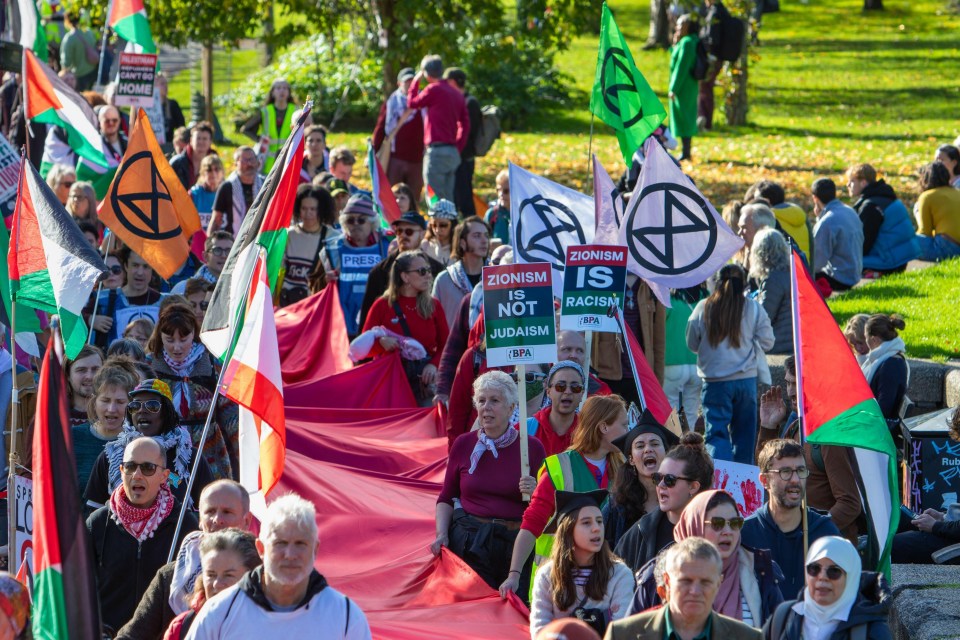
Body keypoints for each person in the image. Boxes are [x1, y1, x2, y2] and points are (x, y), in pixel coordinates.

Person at [186, 494, 372, 639]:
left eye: (300, 544)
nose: (290, 555)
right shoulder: (220, 612)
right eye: (280, 543)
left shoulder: (345, 616)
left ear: (315, 549)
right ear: (261, 549)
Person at [499, 396, 630, 601]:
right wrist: (514, 575)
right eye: (624, 424)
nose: (628, 430)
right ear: (604, 427)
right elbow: (532, 523)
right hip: (557, 585)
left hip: (607, 585)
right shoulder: (558, 467)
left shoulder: (625, 469)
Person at [433, 371, 546, 591]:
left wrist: (534, 492)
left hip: (514, 547)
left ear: (512, 408)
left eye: (495, 400)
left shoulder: (531, 448)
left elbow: (545, 506)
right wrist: (441, 534)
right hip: (469, 543)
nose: (487, 407)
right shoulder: (463, 444)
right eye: (482, 400)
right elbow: (447, 497)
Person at [87, 437, 200, 635]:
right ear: (121, 471)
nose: (137, 475)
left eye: (148, 468)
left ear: (164, 476)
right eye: (130, 467)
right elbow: (78, 589)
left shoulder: (184, 524)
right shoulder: (97, 523)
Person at [116, 479, 253, 640]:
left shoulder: (262, 578)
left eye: (227, 512)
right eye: (210, 511)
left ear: (247, 520)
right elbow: (133, 635)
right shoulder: (170, 577)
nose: (217, 519)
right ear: (200, 521)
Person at [629, 490, 784, 628]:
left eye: (735, 523)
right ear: (694, 525)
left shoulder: (761, 571)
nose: (727, 531)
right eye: (718, 523)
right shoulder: (656, 576)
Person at [757, 358, 863, 545]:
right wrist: (768, 426)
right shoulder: (796, 426)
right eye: (788, 383)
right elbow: (768, 472)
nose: (791, 391)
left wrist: (810, 531)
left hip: (826, 553)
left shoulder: (828, 437)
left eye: (797, 384)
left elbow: (849, 503)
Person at [84, 379, 215, 512]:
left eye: (152, 406)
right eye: (135, 406)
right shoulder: (111, 456)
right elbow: (93, 511)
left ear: (167, 412)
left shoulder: (189, 458)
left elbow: (210, 509)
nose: (142, 411)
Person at [687, 264, 774, 463]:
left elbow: (691, 342)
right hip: (746, 381)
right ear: (744, 285)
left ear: (716, 282)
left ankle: (720, 481)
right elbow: (768, 341)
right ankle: (743, 485)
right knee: (745, 437)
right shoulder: (753, 308)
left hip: (715, 382)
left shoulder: (704, 307)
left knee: (716, 436)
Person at [604, 537, 762, 640]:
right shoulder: (622, 635)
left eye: (705, 582)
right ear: (667, 582)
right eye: (686, 581)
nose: (695, 591)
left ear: (718, 584)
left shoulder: (749, 637)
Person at [741, 439, 841, 599]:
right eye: (785, 472)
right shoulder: (746, 534)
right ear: (764, 480)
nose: (795, 480)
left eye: (801, 471)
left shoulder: (825, 532)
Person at [147, 303, 237, 480]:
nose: (177, 347)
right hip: (163, 451)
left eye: (184, 339)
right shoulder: (150, 366)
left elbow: (230, 413)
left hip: (209, 448)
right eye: (170, 340)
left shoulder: (212, 363)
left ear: (194, 335)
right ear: (160, 336)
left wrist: (241, 453)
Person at [530, 490, 635, 638]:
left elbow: (622, 629)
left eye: (599, 521)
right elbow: (540, 630)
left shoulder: (620, 574)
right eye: (586, 523)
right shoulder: (547, 575)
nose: (596, 528)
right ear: (568, 530)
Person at [614, 432, 714, 573]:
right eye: (657, 478)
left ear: (693, 487)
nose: (660, 485)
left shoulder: (718, 528)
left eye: (669, 480)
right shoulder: (640, 532)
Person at [361, 250, 449, 405]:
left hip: (424, 382)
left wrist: (433, 365)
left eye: (429, 270)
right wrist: (381, 342)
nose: (428, 275)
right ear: (405, 276)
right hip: (391, 383)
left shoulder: (433, 305)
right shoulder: (382, 305)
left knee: (425, 426)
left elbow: (446, 345)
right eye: (422, 271)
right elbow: (363, 348)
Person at [763, 536, 892, 640]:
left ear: (851, 578)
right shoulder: (782, 616)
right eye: (814, 568)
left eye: (834, 571)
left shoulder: (873, 632)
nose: (822, 577)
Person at [163, 528, 262, 640]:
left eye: (228, 575)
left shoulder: (273, 625)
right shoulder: (182, 627)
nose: (217, 584)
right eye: (211, 575)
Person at [315, 194, 391, 337]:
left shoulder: (387, 247)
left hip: (379, 329)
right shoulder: (332, 249)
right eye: (350, 220)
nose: (355, 224)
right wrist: (324, 282)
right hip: (340, 329)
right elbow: (314, 286)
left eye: (361, 220)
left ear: (372, 222)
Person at [359, 211, 444, 330]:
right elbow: (366, 321)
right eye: (399, 231)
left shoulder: (437, 270)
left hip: (425, 341)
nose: (403, 236)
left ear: (423, 234)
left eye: (409, 232)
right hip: (388, 342)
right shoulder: (379, 272)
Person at [605, 410, 680, 547]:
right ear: (631, 459)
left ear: (667, 453)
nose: (648, 449)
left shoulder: (681, 499)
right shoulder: (615, 507)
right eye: (640, 446)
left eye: (655, 444)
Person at [406, 54, 470, 202]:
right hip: (452, 151)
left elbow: (412, 103)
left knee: (434, 196)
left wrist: (415, 82)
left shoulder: (432, 90)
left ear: (427, 74)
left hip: (436, 151)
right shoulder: (457, 94)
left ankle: (437, 224)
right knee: (448, 198)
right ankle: (449, 224)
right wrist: (458, 146)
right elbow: (465, 124)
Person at [72, 356, 140, 490]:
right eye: (105, 400)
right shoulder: (72, 437)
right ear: (94, 401)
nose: (112, 409)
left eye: (120, 402)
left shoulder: (139, 442)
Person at [845, 164, 919, 276]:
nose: (847, 184)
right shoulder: (885, 196)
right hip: (900, 259)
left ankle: (876, 272)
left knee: (842, 263)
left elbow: (864, 245)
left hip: (889, 262)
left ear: (863, 182)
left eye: (851, 181)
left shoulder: (871, 206)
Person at [279, 185, 339, 307]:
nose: (308, 214)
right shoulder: (288, 235)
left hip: (316, 303)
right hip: (287, 303)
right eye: (304, 208)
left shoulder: (333, 237)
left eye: (313, 209)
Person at [432, 216, 490, 328]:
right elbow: (433, 319)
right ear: (462, 243)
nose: (484, 241)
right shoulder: (444, 280)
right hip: (456, 344)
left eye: (486, 236)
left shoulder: (497, 277)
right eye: (477, 236)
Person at [377, 68, 424, 198]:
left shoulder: (424, 102)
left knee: (413, 197)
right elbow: (381, 128)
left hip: (417, 159)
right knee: (393, 196)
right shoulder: (392, 103)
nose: (409, 84)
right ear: (399, 83)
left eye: (412, 81)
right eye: (406, 81)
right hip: (395, 158)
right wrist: (374, 150)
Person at [663, 286, 707, 427]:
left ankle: (673, 445)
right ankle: (693, 446)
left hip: (671, 363)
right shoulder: (706, 298)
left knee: (671, 411)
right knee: (691, 412)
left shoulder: (668, 299)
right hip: (699, 364)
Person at [811, 178, 864, 292]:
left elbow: (817, 263)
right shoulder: (850, 211)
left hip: (838, 279)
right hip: (855, 273)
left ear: (815, 198)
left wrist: (819, 220)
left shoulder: (826, 222)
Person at [743, 181, 814, 265]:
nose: (754, 202)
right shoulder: (802, 215)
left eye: (756, 199)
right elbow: (812, 249)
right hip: (803, 272)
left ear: (766, 201)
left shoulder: (769, 221)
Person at [444, 67, 483, 218]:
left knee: (464, 196)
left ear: (453, 82)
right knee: (454, 195)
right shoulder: (458, 101)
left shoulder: (469, 103)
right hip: (456, 157)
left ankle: (470, 227)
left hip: (464, 158)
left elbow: (468, 132)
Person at [528, 361, 587, 457]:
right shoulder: (525, 429)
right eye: (560, 386)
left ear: (582, 394)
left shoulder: (589, 432)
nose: (568, 392)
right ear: (548, 391)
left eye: (575, 387)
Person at [749, 229, 793, 355]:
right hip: (792, 341)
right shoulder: (790, 273)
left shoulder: (773, 280)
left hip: (778, 344)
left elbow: (764, 317)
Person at [861, 314, 908, 424]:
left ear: (875, 340)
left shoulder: (892, 364)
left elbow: (883, 409)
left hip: (877, 428)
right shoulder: (887, 359)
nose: (866, 342)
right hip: (873, 422)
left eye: (866, 337)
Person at [241, 78, 295, 173]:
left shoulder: (295, 111)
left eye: (285, 88)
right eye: (278, 88)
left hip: (289, 157)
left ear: (289, 92)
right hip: (267, 160)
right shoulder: (265, 111)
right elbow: (245, 129)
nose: (282, 91)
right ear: (273, 93)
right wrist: (259, 139)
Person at [208, 147, 265, 237]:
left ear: (258, 162)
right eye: (244, 160)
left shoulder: (265, 185)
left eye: (252, 159)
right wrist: (210, 245)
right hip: (232, 242)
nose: (249, 163)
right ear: (236, 164)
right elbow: (216, 220)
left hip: (259, 240)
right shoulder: (227, 187)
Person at [913, 161, 960, 262]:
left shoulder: (927, 196)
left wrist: (917, 215)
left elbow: (925, 232)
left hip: (948, 247)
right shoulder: (957, 192)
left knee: (905, 240)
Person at [668, 15, 699, 162]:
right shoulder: (687, 41)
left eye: (681, 25)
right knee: (683, 116)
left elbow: (681, 67)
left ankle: (686, 152)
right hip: (687, 84)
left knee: (684, 117)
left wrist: (673, 88)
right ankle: (685, 150)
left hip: (684, 85)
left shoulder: (688, 43)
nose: (678, 28)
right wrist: (675, 43)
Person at [188, 156, 226, 260]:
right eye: (209, 170)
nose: (213, 174)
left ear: (222, 173)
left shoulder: (229, 194)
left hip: (223, 251)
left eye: (217, 169)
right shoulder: (194, 194)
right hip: (198, 251)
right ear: (202, 173)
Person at [171, 121, 217, 192]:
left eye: (204, 139)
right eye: (198, 138)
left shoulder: (216, 164)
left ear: (210, 142)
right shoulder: (177, 163)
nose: (201, 142)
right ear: (191, 140)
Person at [60, 9, 98, 90]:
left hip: (79, 77)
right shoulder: (88, 32)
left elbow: (66, 63)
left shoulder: (69, 38)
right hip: (93, 72)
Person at [420, 198, 458, 266]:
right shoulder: (425, 246)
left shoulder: (460, 247)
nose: (437, 230)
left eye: (443, 225)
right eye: (434, 225)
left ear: (453, 225)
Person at [157, 74, 186, 146]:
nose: (166, 86)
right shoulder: (148, 108)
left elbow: (181, 126)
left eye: (166, 83)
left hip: (169, 145)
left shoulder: (172, 104)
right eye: (162, 84)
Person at [485, 168, 511, 247]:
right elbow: (482, 240)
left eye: (506, 191)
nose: (501, 194)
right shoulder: (492, 213)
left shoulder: (526, 214)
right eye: (498, 190)